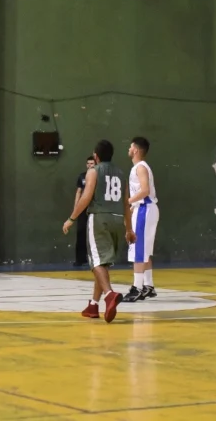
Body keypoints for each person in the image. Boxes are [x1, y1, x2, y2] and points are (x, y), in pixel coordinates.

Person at [61, 140, 133, 323]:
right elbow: (126, 203)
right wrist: (129, 228)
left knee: (96, 262)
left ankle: (109, 294)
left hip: (100, 218)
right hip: (118, 219)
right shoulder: (121, 174)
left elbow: (86, 197)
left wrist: (72, 218)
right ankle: (93, 304)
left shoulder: (93, 171)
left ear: (96, 156)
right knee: (103, 263)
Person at [123, 136, 160, 302]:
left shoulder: (140, 167)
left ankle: (136, 288)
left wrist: (128, 201)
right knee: (144, 250)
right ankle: (148, 285)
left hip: (145, 208)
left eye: (131, 146)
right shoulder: (141, 167)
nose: (129, 149)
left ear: (136, 150)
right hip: (145, 208)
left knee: (138, 249)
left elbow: (144, 190)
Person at [74, 156, 96, 266]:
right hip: (83, 209)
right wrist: (76, 207)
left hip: (94, 209)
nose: (90, 165)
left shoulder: (98, 176)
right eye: (88, 163)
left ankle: (94, 259)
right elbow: (78, 192)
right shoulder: (82, 176)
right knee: (81, 233)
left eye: (92, 163)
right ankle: (80, 259)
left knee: (94, 234)